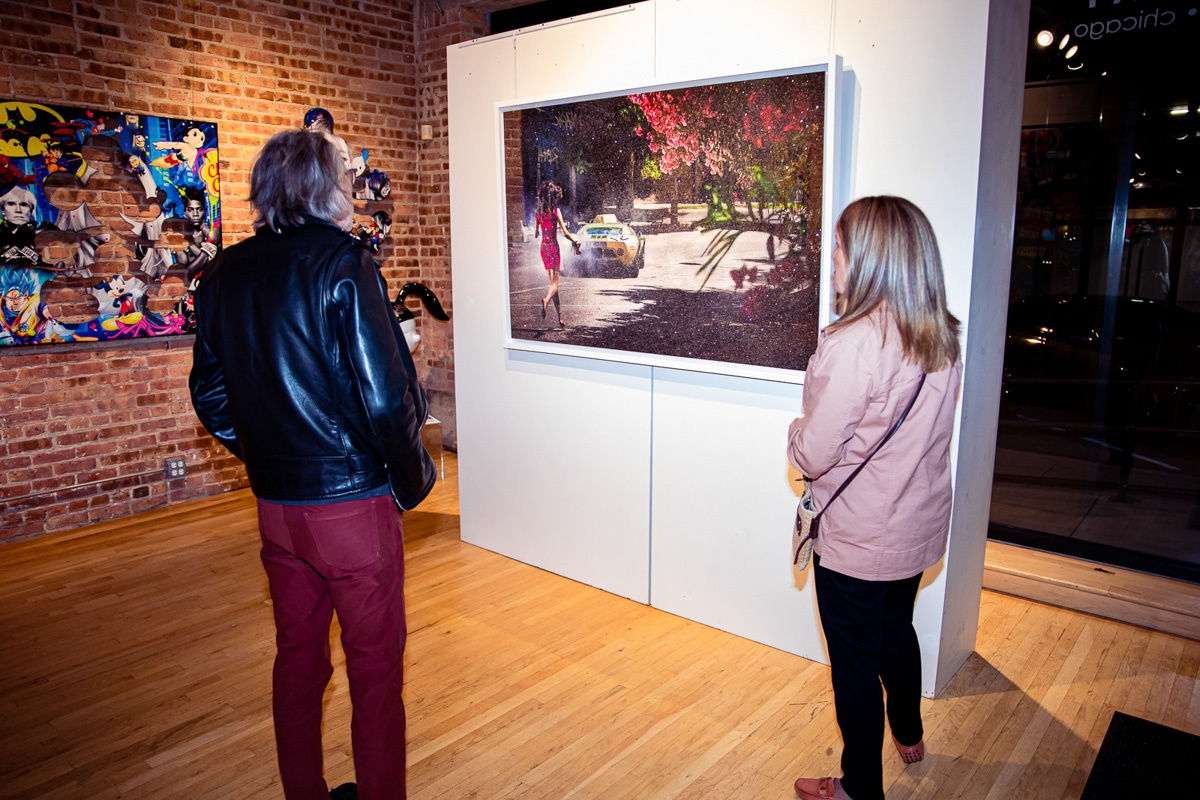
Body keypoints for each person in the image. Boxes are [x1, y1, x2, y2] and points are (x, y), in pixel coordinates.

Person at [189, 128, 436, 800]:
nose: (353, 192)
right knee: (375, 670)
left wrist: (274, 452)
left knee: (298, 659)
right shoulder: (344, 264)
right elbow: (386, 401)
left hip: (276, 508)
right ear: (324, 187)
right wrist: (415, 482)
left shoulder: (221, 274)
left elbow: (209, 396)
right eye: (346, 179)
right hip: (351, 507)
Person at [786, 196, 962, 800]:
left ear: (870, 259)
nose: (831, 259)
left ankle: (859, 787)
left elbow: (811, 454)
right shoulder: (942, 337)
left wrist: (792, 429)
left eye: (838, 247)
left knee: (856, 668)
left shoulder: (854, 344)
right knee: (896, 632)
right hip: (914, 529)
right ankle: (909, 732)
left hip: (860, 540)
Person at [534, 180, 578, 327]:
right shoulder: (555, 211)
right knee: (555, 285)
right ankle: (546, 300)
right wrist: (575, 240)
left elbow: (535, 234)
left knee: (553, 285)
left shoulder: (538, 213)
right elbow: (565, 233)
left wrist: (540, 225)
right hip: (553, 248)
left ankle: (560, 318)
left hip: (543, 248)